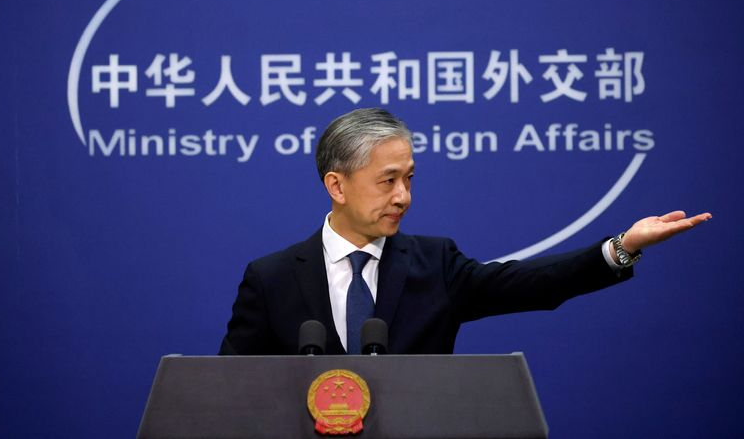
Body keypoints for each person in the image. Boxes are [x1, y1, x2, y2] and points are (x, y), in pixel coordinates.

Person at [219, 108, 711, 355]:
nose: (403, 196)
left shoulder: (436, 264)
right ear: (337, 186)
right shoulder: (271, 278)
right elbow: (230, 393)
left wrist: (622, 247)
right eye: (388, 181)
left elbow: (534, 284)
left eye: (409, 178)